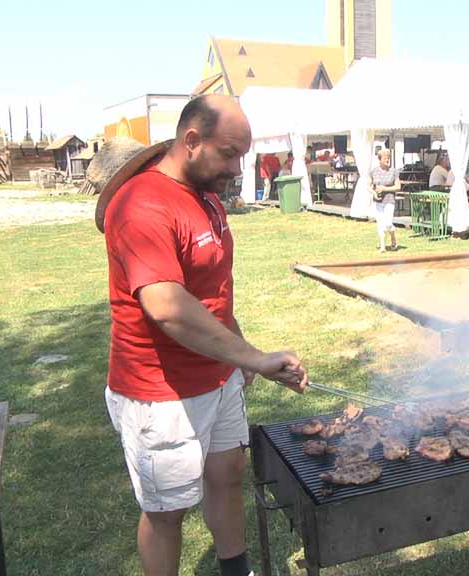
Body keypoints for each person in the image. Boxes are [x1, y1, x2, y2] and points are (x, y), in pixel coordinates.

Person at [97, 95, 308, 576]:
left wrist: (240, 354)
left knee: (227, 475)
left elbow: (212, 291)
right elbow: (168, 307)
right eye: (229, 153)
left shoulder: (208, 197)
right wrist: (252, 359)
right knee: (167, 512)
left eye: (242, 155)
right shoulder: (141, 203)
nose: (237, 168)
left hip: (217, 376)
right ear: (191, 140)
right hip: (160, 392)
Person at [371, 148, 401, 252]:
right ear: (380, 159)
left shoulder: (394, 171)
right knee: (380, 224)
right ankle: (382, 247)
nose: (387, 160)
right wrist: (373, 192)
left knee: (388, 224)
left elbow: (398, 187)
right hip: (378, 201)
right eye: (385, 158)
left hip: (389, 200)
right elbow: (368, 185)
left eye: (388, 158)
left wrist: (385, 189)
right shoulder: (374, 171)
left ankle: (393, 238)